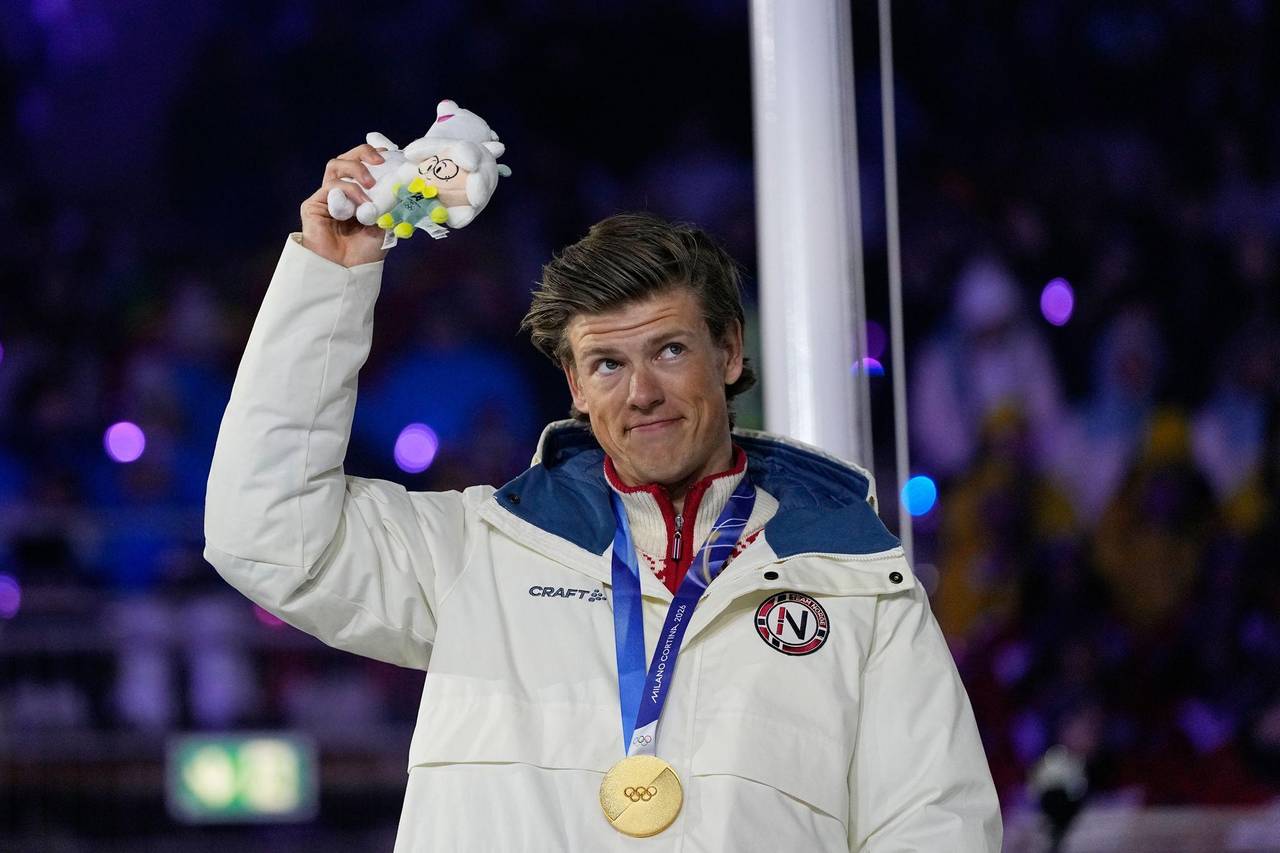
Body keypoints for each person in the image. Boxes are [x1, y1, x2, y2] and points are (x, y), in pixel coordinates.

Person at [204, 143, 1002, 851]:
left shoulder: (858, 585)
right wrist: (331, 276)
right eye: (609, 364)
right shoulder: (478, 553)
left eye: (670, 350)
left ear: (729, 352)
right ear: (576, 386)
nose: (642, 391)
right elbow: (266, 532)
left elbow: (936, 825)